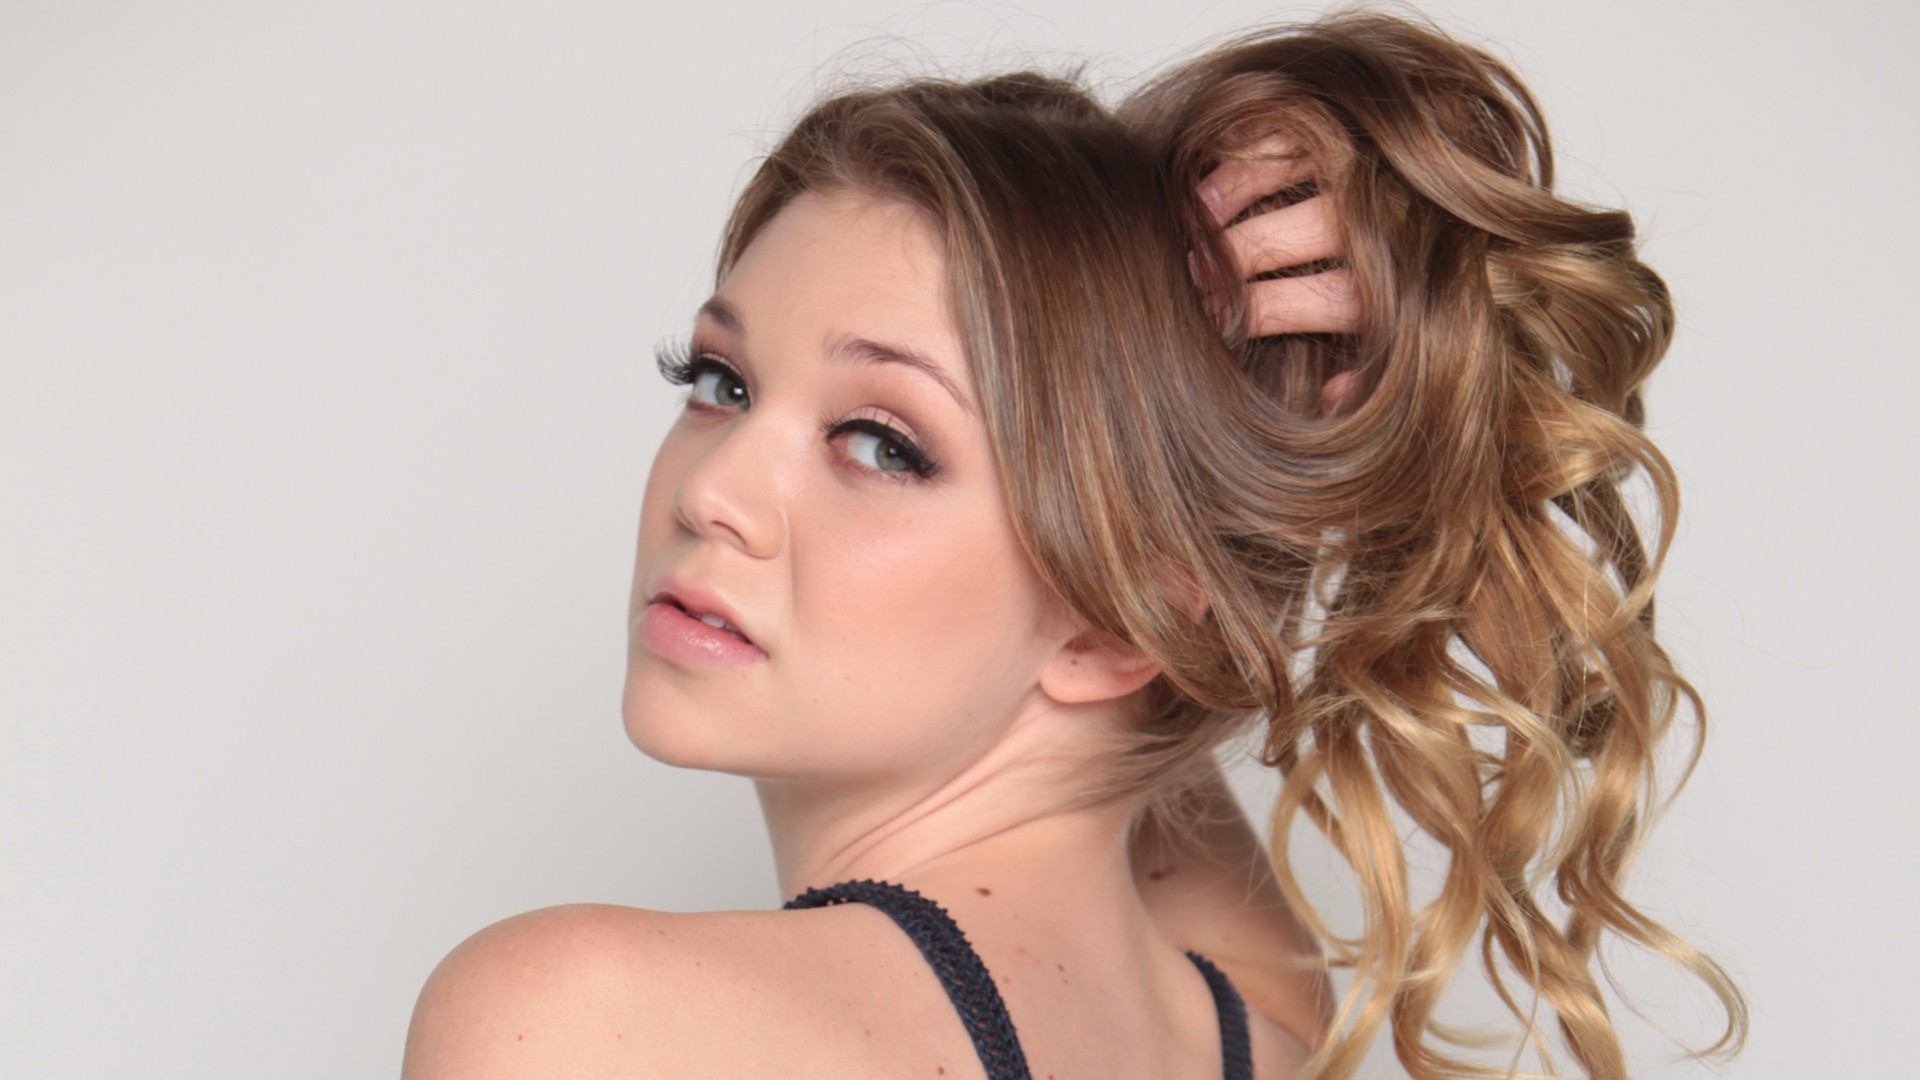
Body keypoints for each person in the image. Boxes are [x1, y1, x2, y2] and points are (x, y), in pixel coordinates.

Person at [400, 11, 1744, 1079]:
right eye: (719, 381)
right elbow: (1152, 693)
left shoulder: (583, 1021)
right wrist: (1193, 384)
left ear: (1118, 618)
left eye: (882, 442)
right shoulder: (1256, 1026)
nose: (713, 492)